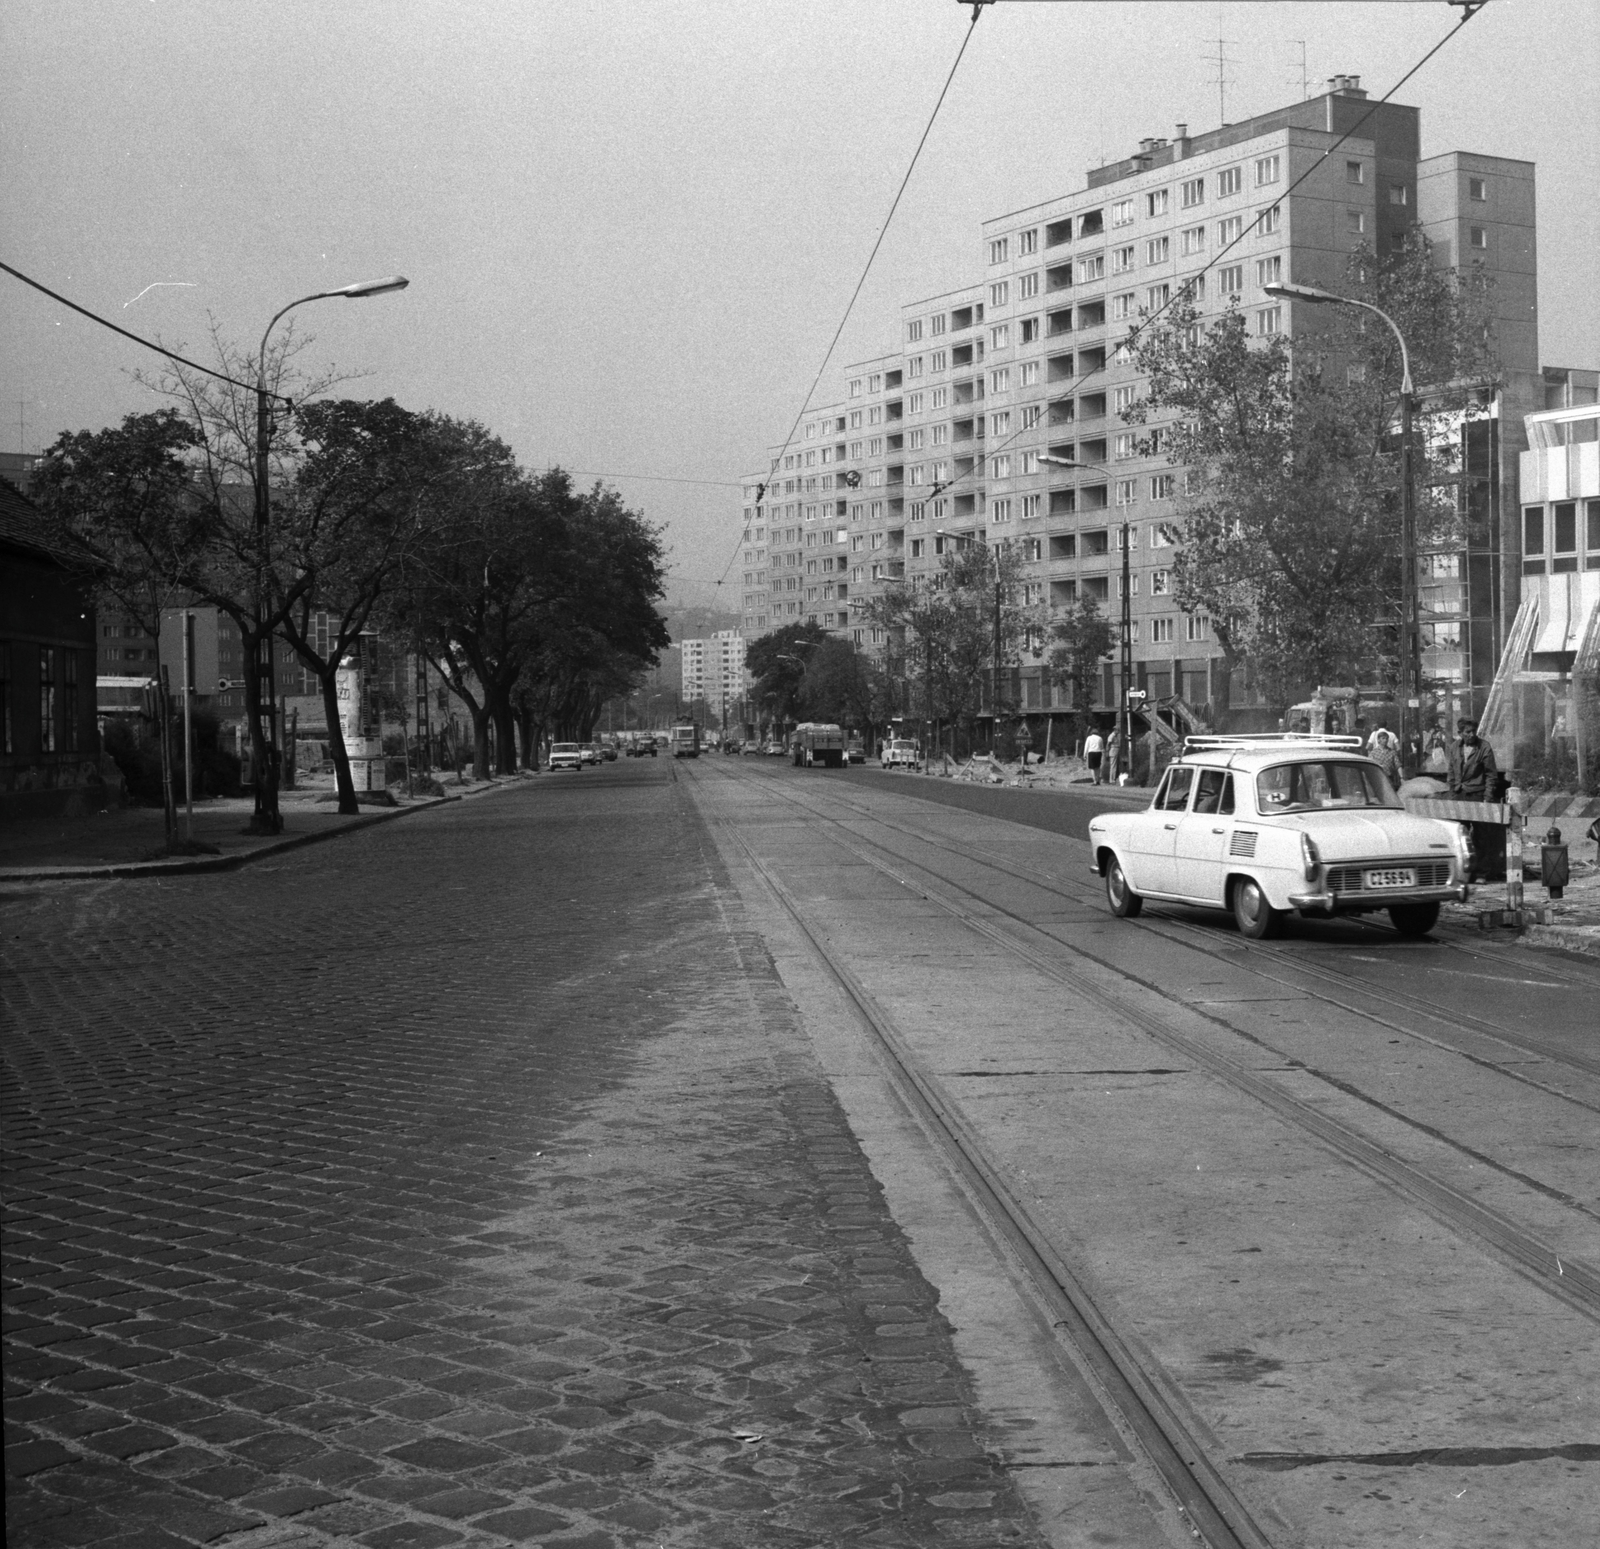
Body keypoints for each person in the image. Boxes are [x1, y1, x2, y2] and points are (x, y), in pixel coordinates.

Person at [1450, 721, 1497, 800]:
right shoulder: (1454, 747)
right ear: (1460, 733)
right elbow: (1451, 771)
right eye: (1468, 732)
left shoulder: (1484, 747)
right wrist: (1452, 792)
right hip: (1458, 792)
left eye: (1474, 731)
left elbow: (1491, 775)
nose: (1472, 735)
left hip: (1477, 794)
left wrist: (1488, 797)